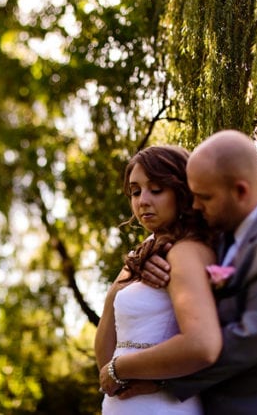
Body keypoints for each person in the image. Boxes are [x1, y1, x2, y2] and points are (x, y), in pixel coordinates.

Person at [106, 130, 257, 415]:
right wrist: (142, 260)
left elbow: (248, 340)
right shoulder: (227, 225)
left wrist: (154, 375)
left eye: (203, 197)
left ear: (240, 191)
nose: (194, 205)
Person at [94, 145, 222, 414]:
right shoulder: (143, 252)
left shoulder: (187, 251)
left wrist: (121, 368)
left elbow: (201, 345)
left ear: (182, 191)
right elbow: (105, 356)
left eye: (156, 189)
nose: (142, 201)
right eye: (135, 191)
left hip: (163, 406)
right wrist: (119, 285)